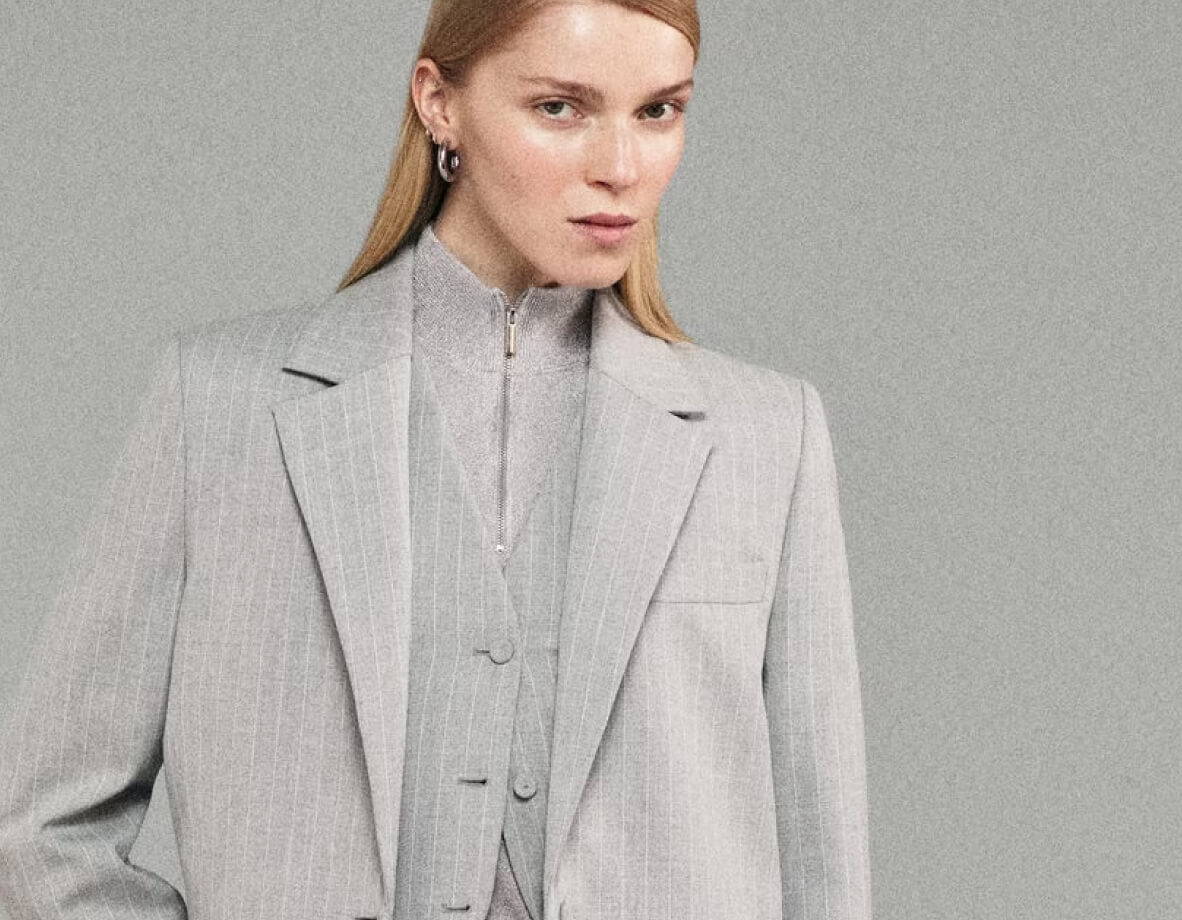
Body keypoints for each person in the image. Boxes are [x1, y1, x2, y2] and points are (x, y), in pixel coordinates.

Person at [0, 1, 871, 918]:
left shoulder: (767, 437)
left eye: (659, 110)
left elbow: (825, 871)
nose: (621, 166)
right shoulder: (220, 407)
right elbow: (44, 832)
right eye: (561, 107)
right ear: (439, 103)